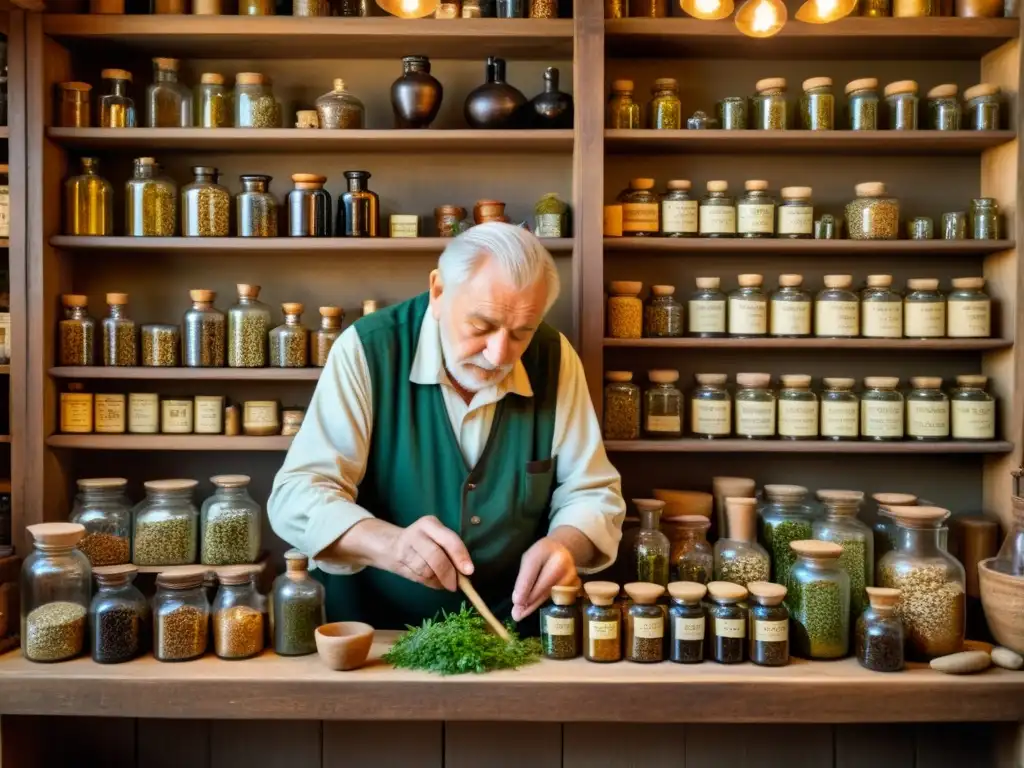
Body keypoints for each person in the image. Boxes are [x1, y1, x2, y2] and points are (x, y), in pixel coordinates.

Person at [268, 222, 625, 629]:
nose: (498, 354)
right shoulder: (368, 349)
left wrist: (566, 546)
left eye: (522, 333)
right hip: (373, 638)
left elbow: (592, 491)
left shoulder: (555, 357)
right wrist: (391, 544)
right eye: (481, 327)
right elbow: (297, 496)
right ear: (438, 292)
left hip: (513, 640)